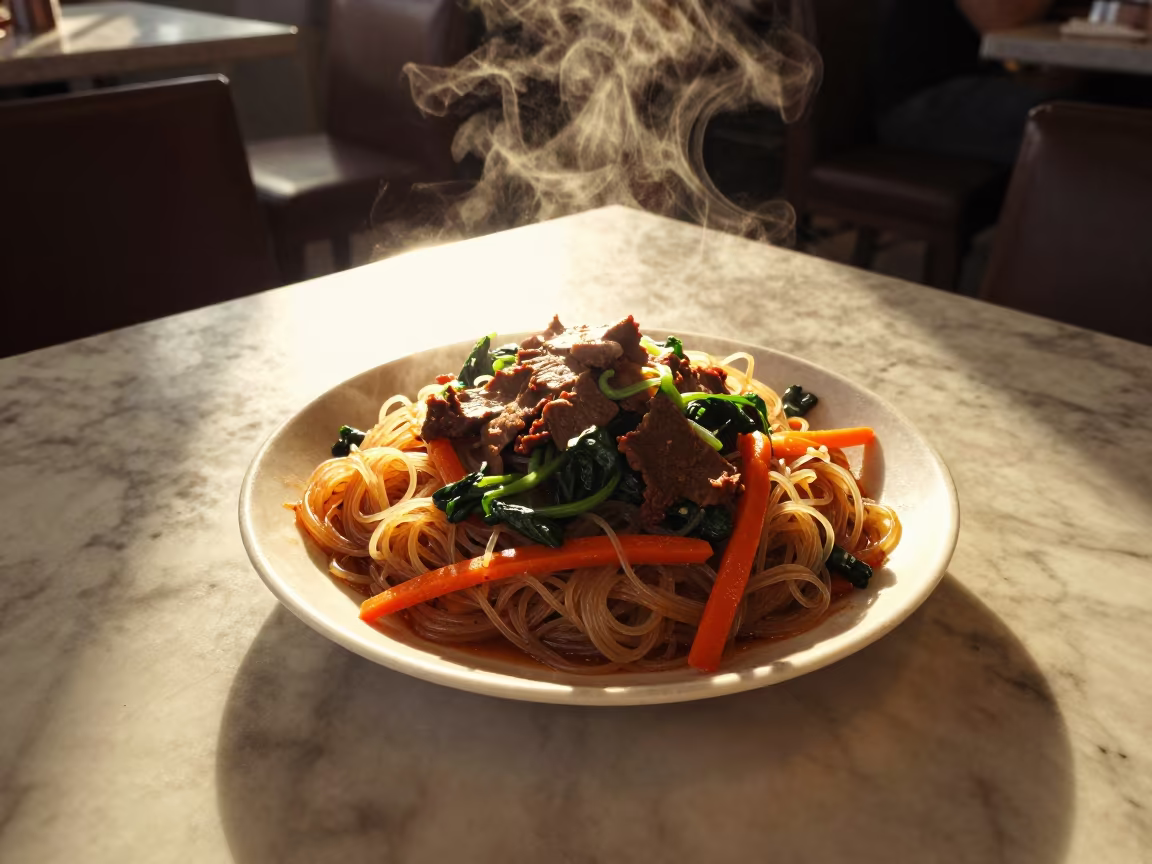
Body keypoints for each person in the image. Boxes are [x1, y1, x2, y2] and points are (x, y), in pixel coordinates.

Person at [874, 0, 1063, 165]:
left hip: (965, 89)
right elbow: (1001, 20)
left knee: (1074, 114)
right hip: (920, 102)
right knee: (1066, 126)